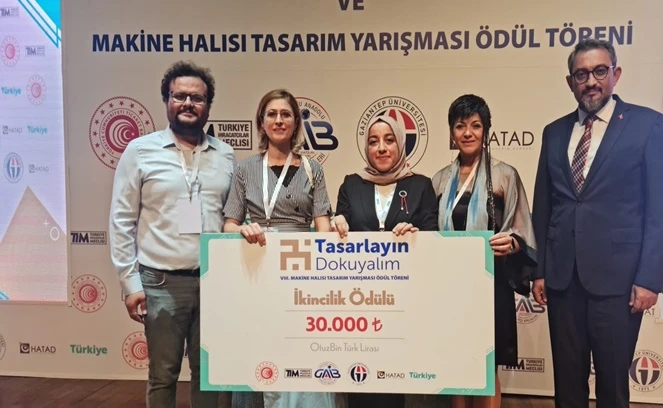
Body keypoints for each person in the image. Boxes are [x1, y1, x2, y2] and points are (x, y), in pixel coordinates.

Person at [531, 39, 663, 408]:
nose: (591, 81)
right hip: (562, 280)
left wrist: (649, 278)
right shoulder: (554, 132)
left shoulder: (648, 125)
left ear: (616, 74)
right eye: (581, 74)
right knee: (567, 388)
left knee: (612, 388)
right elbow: (544, 207)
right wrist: (540, 270)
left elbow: (659, 210)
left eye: (599, 71)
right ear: (570, 82)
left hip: (619, 283)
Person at [109, 60, 234, 408]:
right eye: (180, 96)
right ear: (166, 100)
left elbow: (233, 217)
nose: (188, 103)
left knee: (210, 376)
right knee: (163, 375)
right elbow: (121, 220)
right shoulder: (139, 151)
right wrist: (130, 283)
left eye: (197, 97)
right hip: (160, 283)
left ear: (208, 105)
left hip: (214, 281)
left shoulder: (226, 154)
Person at [222, 89, 342, 408]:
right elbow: (229, 225)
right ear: (261, 123)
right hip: (257, 270)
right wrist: (242, 229)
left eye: (286, 114)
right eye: (272, 114)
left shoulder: (312, 169)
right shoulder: (245, 169)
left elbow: (322, 229)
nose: (279, 120)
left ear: (296, 122)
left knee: (299, 349)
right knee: (258, 348)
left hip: (300, 275)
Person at [428, 94, 537, 408]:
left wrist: (512, 242)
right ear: (451, 132)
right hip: (450, 285)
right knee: (456, 360)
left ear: (486, 130)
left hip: (491, 282)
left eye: (475, 125)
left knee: (487, 365)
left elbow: (521, 227)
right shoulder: (439, 180)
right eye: (460, 126)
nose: (467, 133)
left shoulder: (505, 175)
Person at [330, 115, 438, 408]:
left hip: (402, 296)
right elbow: (341, 226)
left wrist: (416, 234)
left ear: (401, 144)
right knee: (359, 371)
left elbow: (433, 236)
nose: (381, 148)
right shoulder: (351, 184)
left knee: (393, 372)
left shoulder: (421, 185)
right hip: (359, 298)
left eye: (389, 140)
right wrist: (337, 223)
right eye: (373, 141)